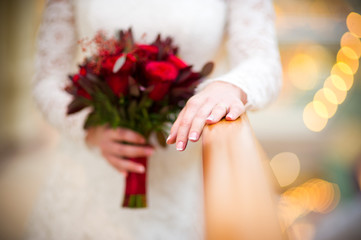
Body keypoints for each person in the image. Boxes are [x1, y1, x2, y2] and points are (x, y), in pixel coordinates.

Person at [25, 0, 282, 239]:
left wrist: (228, 86)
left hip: (181, 174)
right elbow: (47, 79)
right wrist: (89, 128)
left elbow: (262, 60)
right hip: (88, 174)